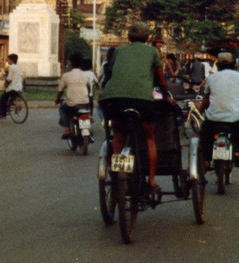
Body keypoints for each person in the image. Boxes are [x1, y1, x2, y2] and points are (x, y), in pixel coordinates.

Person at [99, 21, 168, 193]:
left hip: (115, 99)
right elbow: (161, 78)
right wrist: (166, 96)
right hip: (142, 101)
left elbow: (111, 71)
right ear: (148, 38)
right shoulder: (152, 51)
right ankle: (151, 181)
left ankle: (117, 175)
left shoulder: (119, 51)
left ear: (128, 36)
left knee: (118, 135)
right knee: (149, 137)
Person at [199, 51, 239, 169]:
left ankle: (206, 161)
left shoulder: (211, 78)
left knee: (205, 135)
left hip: (213, 118)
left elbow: (205, 99)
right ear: (232, 63)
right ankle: (237, 153)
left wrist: (201, 110)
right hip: (233, 118)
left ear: (218, 64)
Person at [55, 53, 91, 139]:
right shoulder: (85, 75)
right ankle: (87, 129)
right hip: (84, 103)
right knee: (86, 112)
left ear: (71, 63)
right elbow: (89, 87)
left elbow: (60, 90)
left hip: (71, 104)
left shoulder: (66, 75)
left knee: (62, 109)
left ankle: (67, 130)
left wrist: (57, 99)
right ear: (81, 63)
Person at [0, 53, 24, 120]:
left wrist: (3, 79)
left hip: (13, 88)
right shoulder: (17, 67)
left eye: (8, 60)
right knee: (8, 97)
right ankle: (10, 105)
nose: (7, 61)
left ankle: (2, 115)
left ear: (12, 60)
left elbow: (9, 78)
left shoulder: (11, 67)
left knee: (2, 98)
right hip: (19, 87)